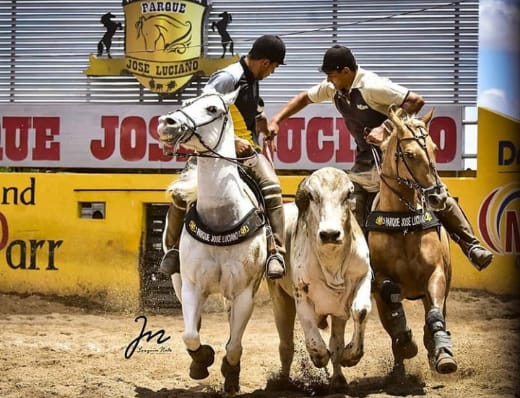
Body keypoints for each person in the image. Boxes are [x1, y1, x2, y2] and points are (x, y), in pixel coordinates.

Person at [267, 44, 493, 271]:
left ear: (346, 72)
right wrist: (276, 120)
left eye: (331, 75)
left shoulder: (372, 86)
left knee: (435, 190)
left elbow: (416, 101)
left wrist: (385, 128)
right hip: (365, 162)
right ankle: (365, 270)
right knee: (351, 210)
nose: (328, 80)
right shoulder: (334, 88)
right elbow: (304, 98)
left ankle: (471, 246)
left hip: (397, 159)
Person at [160, 34, 287, 279]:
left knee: (272, 187)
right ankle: (173, 250)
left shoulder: (252, 79)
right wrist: (231, 141)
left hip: (248, 152)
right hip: (214, 151)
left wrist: (265, 127)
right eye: (274, 67)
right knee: (179, 193)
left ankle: (275, 251)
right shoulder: (228, 78)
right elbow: (202, 110)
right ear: (265, 62)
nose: (272, 72)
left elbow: (252, 113)